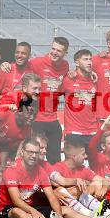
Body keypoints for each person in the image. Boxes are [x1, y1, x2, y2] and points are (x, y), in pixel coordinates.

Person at [0, 137, 90, 218]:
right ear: (22, 152)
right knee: (17, 212)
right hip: (9, 209)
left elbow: (52, 197)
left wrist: (58, 215)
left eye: (36, 153)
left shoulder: (41, 171)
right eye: (30, 152)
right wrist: (34, 212)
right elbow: (16, 200)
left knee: (66, 210)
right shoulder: (11, 170)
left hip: (30, 208)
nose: (33, 156)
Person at [28, 36, 70, 164]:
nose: (54, 52)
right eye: (53, 48)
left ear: (65, 53)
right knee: (36, 157)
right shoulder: (37, 63)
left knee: (55, 160)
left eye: (59, 50)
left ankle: (53, 183)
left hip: (53, 119)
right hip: (37, 119)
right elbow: (21, 69)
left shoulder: (65, 66)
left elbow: (64, 87)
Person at [62, 49, 99, 149]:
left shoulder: (94, 80)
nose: (89, 62)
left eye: (90, 59)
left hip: (93, 131)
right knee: (72, 164)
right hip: (74, 131)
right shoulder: (68, 79)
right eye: (85, 59)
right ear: (77, 62)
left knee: (97, 164)